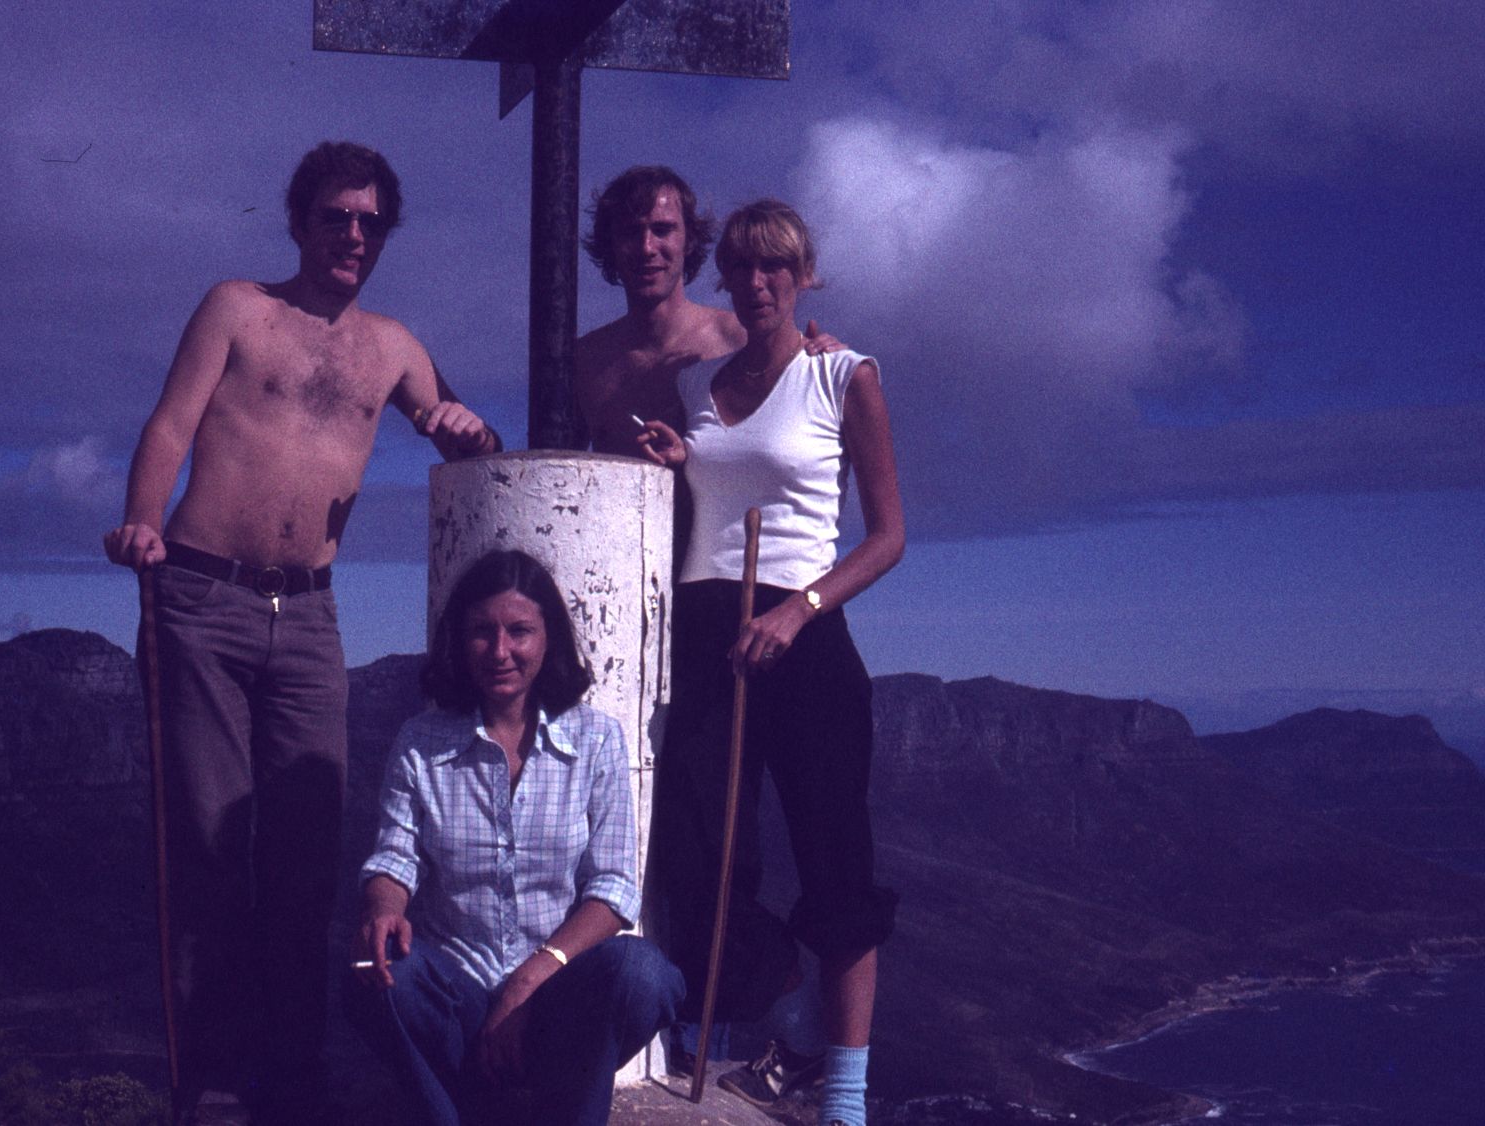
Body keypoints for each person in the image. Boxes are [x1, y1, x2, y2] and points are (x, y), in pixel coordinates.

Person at [101, 141, 500, 1124]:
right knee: (207, 843)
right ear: (299, 222)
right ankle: (214, 1080)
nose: (354, 235)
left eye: (371, 221)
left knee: (306, 852)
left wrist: (469, 430)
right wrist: (143, 520)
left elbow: (461, 430)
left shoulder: (395, 346)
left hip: (313, 616)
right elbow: (170, 425)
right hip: (201, 594)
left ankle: (293, 1077)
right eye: (336, 216)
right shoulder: (237, 308)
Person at [638, 199, 905, 1126]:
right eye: (742, 267)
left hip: (805, 634)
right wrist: (682, 459)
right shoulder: (697, 386)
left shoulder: (842, 374)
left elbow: (888, 537)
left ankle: (844, 1100)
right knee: (698, 856)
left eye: (776, 266)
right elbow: (711, 494)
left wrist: (799, 610)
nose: (757, 283)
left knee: (836, 862)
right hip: (706, 633)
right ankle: (786, 1011)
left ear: (804, 275)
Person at [348, 550, 683, 1126]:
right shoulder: (421, 742)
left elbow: (613, 889)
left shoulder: (596, 740)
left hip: (555, 1000)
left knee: (642, 974)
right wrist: (384, 909)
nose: (500, 650)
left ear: (548, 638)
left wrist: (529, 980)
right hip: (455, 1000)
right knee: (375, 972)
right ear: (460, 641)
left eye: (519, 631)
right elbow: (395, 856)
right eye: (482, 632)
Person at [575, 165, 840, 459]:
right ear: (610, 244)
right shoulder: (586, 361)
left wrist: (825, 355)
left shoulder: (739, 339)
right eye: (630, 232)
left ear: (689, 240)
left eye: (662, 230)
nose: (646, 247)